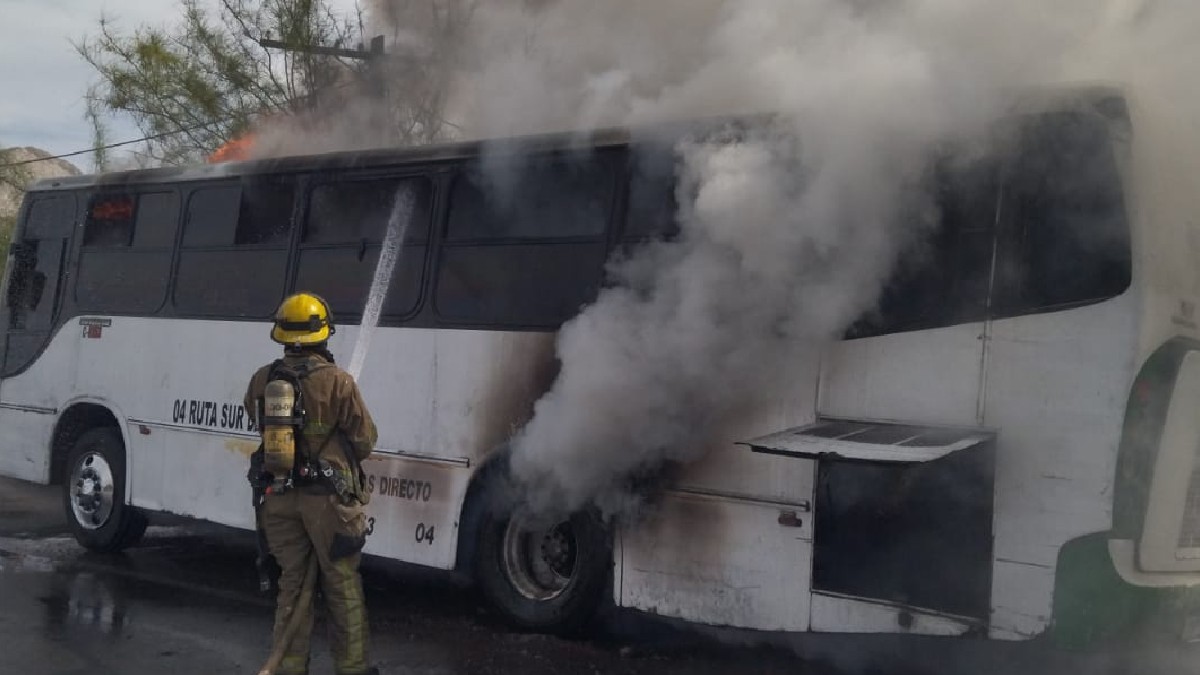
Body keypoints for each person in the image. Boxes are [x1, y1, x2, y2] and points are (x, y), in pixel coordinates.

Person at [245, 292, 379, 675]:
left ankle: (289, 667)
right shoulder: (339, 383)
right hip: (329, 505)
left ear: (282, 335)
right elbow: (365, 442)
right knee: (342, 585)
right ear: (323, 335)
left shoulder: (264, 379)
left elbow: (255, 418)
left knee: (293, 584)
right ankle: (352, 669)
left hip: (279, 498)